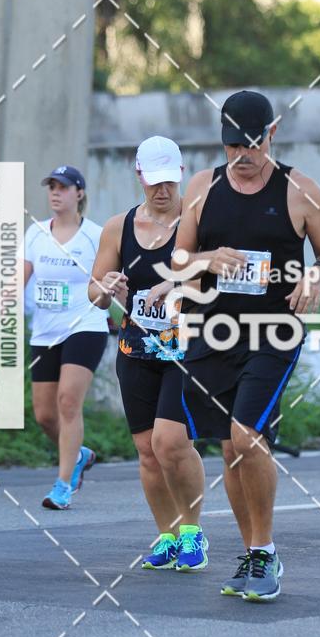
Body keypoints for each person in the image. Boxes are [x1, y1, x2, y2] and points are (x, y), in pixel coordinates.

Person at [173, 90, 320, 601]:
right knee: (229, 447)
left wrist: (316, 274)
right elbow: (179, 258)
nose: (241, 156)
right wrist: (207, 260)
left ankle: (266, 553)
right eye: (231, 147)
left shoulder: (299, 190)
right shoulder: (203, 187)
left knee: (246, 435)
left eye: (250, 144)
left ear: (271, 134)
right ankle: (251, 555)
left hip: (274, 332)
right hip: (214, 331)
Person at [88, 136, 207, 572]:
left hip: (186, 348)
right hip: (134, 347)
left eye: (170, 181)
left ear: (180, 174)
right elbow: (95, 292)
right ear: (139, 176)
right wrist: (107, 290)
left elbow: (212, 278)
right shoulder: (118, 227)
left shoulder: (196, 223)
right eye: (153, 181)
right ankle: (168, 534)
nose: (162, 190)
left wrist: (178, 287)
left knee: (171, 441)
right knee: (146, 449)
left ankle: (193, 532)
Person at [23, 166, 108, 510]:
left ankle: (62, 485)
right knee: (44, 415)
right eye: (52, 187)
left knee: (68, 401)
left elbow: (106, 281)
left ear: (80, 193)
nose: (56, 193)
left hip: (85, 325)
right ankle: (78, 454)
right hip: (45, 331)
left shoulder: (96, 236)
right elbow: (22, 276)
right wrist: (0, 304)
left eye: (63, 187)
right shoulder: (36, 232)